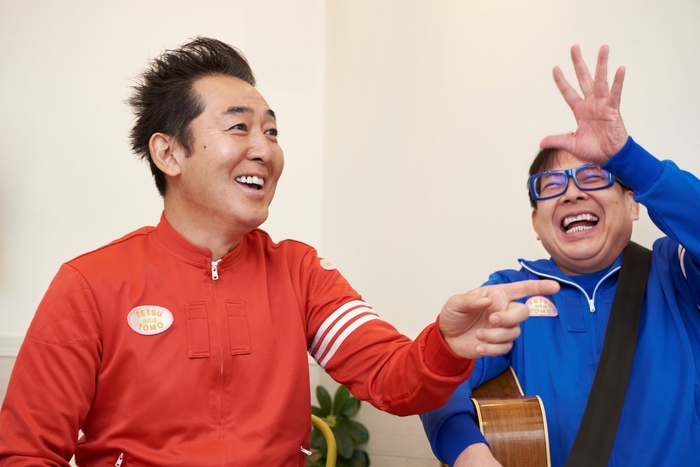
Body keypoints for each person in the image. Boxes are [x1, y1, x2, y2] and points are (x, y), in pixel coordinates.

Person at [0, 37, 557, 466]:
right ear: (169, 154)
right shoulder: (90, 283)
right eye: (239, 128)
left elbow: (392, 377)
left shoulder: (300, 272)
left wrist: (445, 346)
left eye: (271, 132)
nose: (264, 150)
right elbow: (26, 452)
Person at [420, 44, 700, 467]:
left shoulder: (674, 273)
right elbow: (439, 381)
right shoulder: (509, 293)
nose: (571, 193)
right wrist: (470, 455)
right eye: (551, 185)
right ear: (536, 223)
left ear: (633, 203)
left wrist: (627, 157)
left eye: (594, 175)